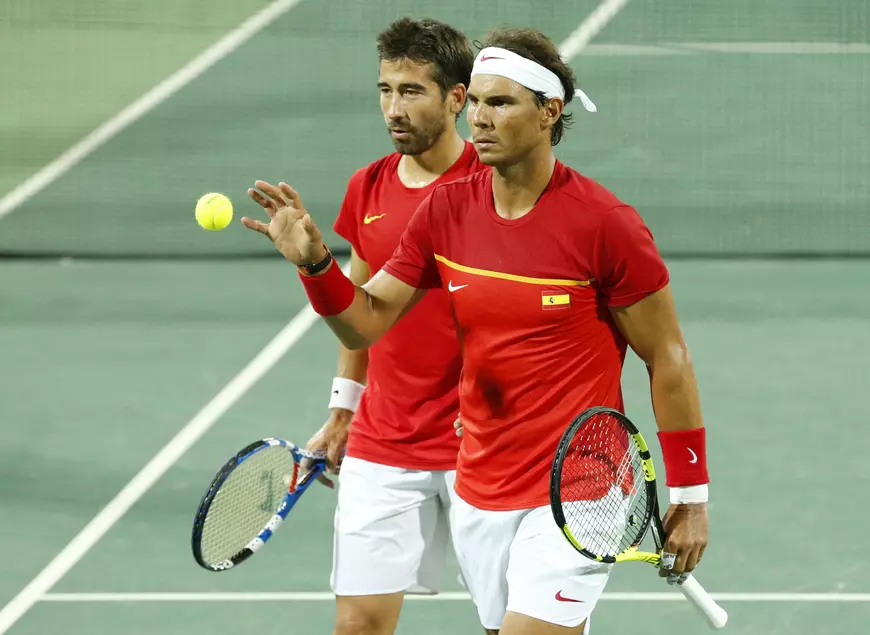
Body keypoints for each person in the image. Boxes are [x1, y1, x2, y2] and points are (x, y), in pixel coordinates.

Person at [243, 26, 711, 635]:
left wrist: (692, 495)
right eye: (480, 103)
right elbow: (365, 322)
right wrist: (315, 265)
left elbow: (667, 357)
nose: (480, 120)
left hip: (579, 484)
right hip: (482, 483)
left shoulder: (605, 225)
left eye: (501, 103)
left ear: (549, 112)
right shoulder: (446, 211)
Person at [247, 17, 484, 635]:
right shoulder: (369, 186)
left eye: (411, 91)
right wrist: (345, 409)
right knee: (358, 627)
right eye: (385, 90)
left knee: (507, 623)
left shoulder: (494, 189)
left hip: (484, 442)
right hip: (388, 439)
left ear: (456, 99)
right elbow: (359, 312)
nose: (393, 108)